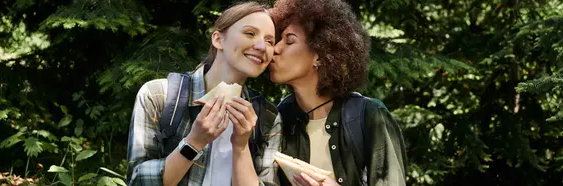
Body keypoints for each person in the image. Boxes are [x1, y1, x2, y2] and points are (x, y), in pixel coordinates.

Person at [255, 0, 408, 185]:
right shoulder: (278, 120)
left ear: (319, 55)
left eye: (289, 41)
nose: (275, 49)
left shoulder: (369, 116)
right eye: (278, 40)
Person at [126, 2, 278, 186]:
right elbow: (138, 181)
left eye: (270, 41)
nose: (262, 46)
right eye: (250, 33)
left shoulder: (268, 117)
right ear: (218, 39)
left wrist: (241, 146)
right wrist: (194, 142)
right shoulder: (158, 96)